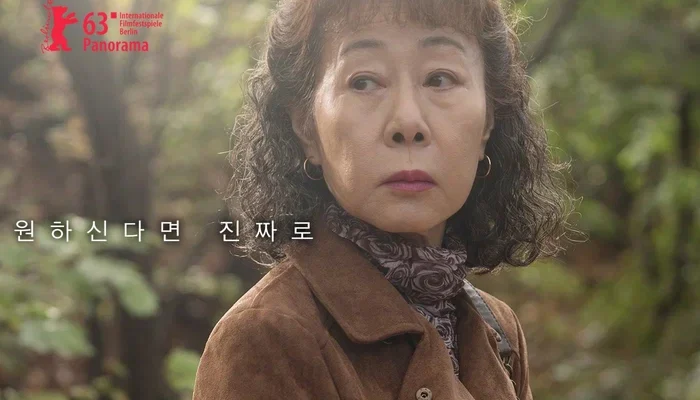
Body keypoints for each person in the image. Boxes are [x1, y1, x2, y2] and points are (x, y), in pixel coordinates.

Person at [193, 0, 573, 398]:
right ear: (306, 128)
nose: (407, 122)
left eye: (440, 78)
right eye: (364, 82)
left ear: (487, 123)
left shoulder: (498, 329)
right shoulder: (268, 334)